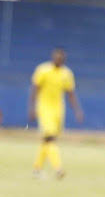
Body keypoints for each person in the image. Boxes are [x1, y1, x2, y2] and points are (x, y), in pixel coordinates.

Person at [28, 48, 84, 179]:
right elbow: (35, 89)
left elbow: (70, 93)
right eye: (56, 57)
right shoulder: (43, 70)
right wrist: (31, 108)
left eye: (61, 58)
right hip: (44, 107)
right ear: (52, 57)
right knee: (50, 138)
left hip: (58, 109)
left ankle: (37, 168)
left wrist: (77, 110)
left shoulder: (67, 74)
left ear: (63, 59)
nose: (58, 59)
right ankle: (58, 168)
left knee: (47, 140)